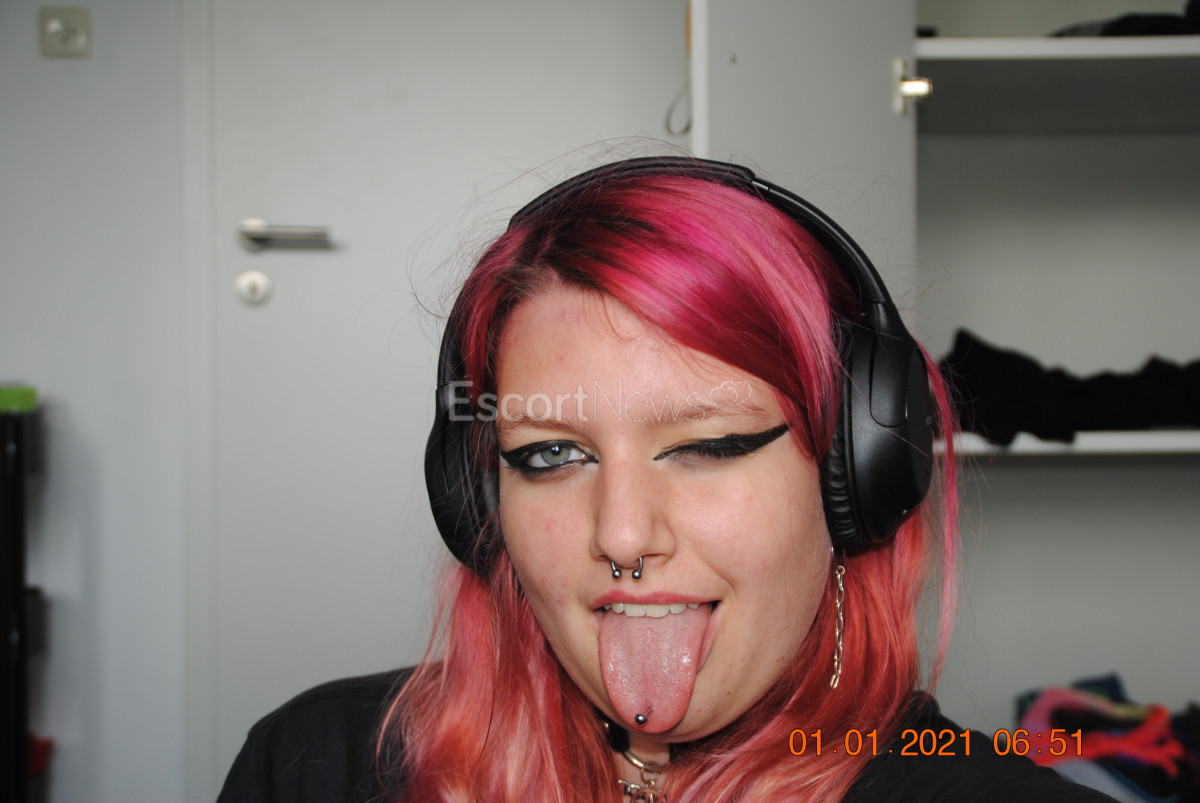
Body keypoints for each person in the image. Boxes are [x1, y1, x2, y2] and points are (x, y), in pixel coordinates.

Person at [218, 156, 1116, 801]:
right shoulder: (313, 765)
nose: (622, 532)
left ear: (856, 475)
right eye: (551, 454)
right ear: (478, 497)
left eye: (710, 444)